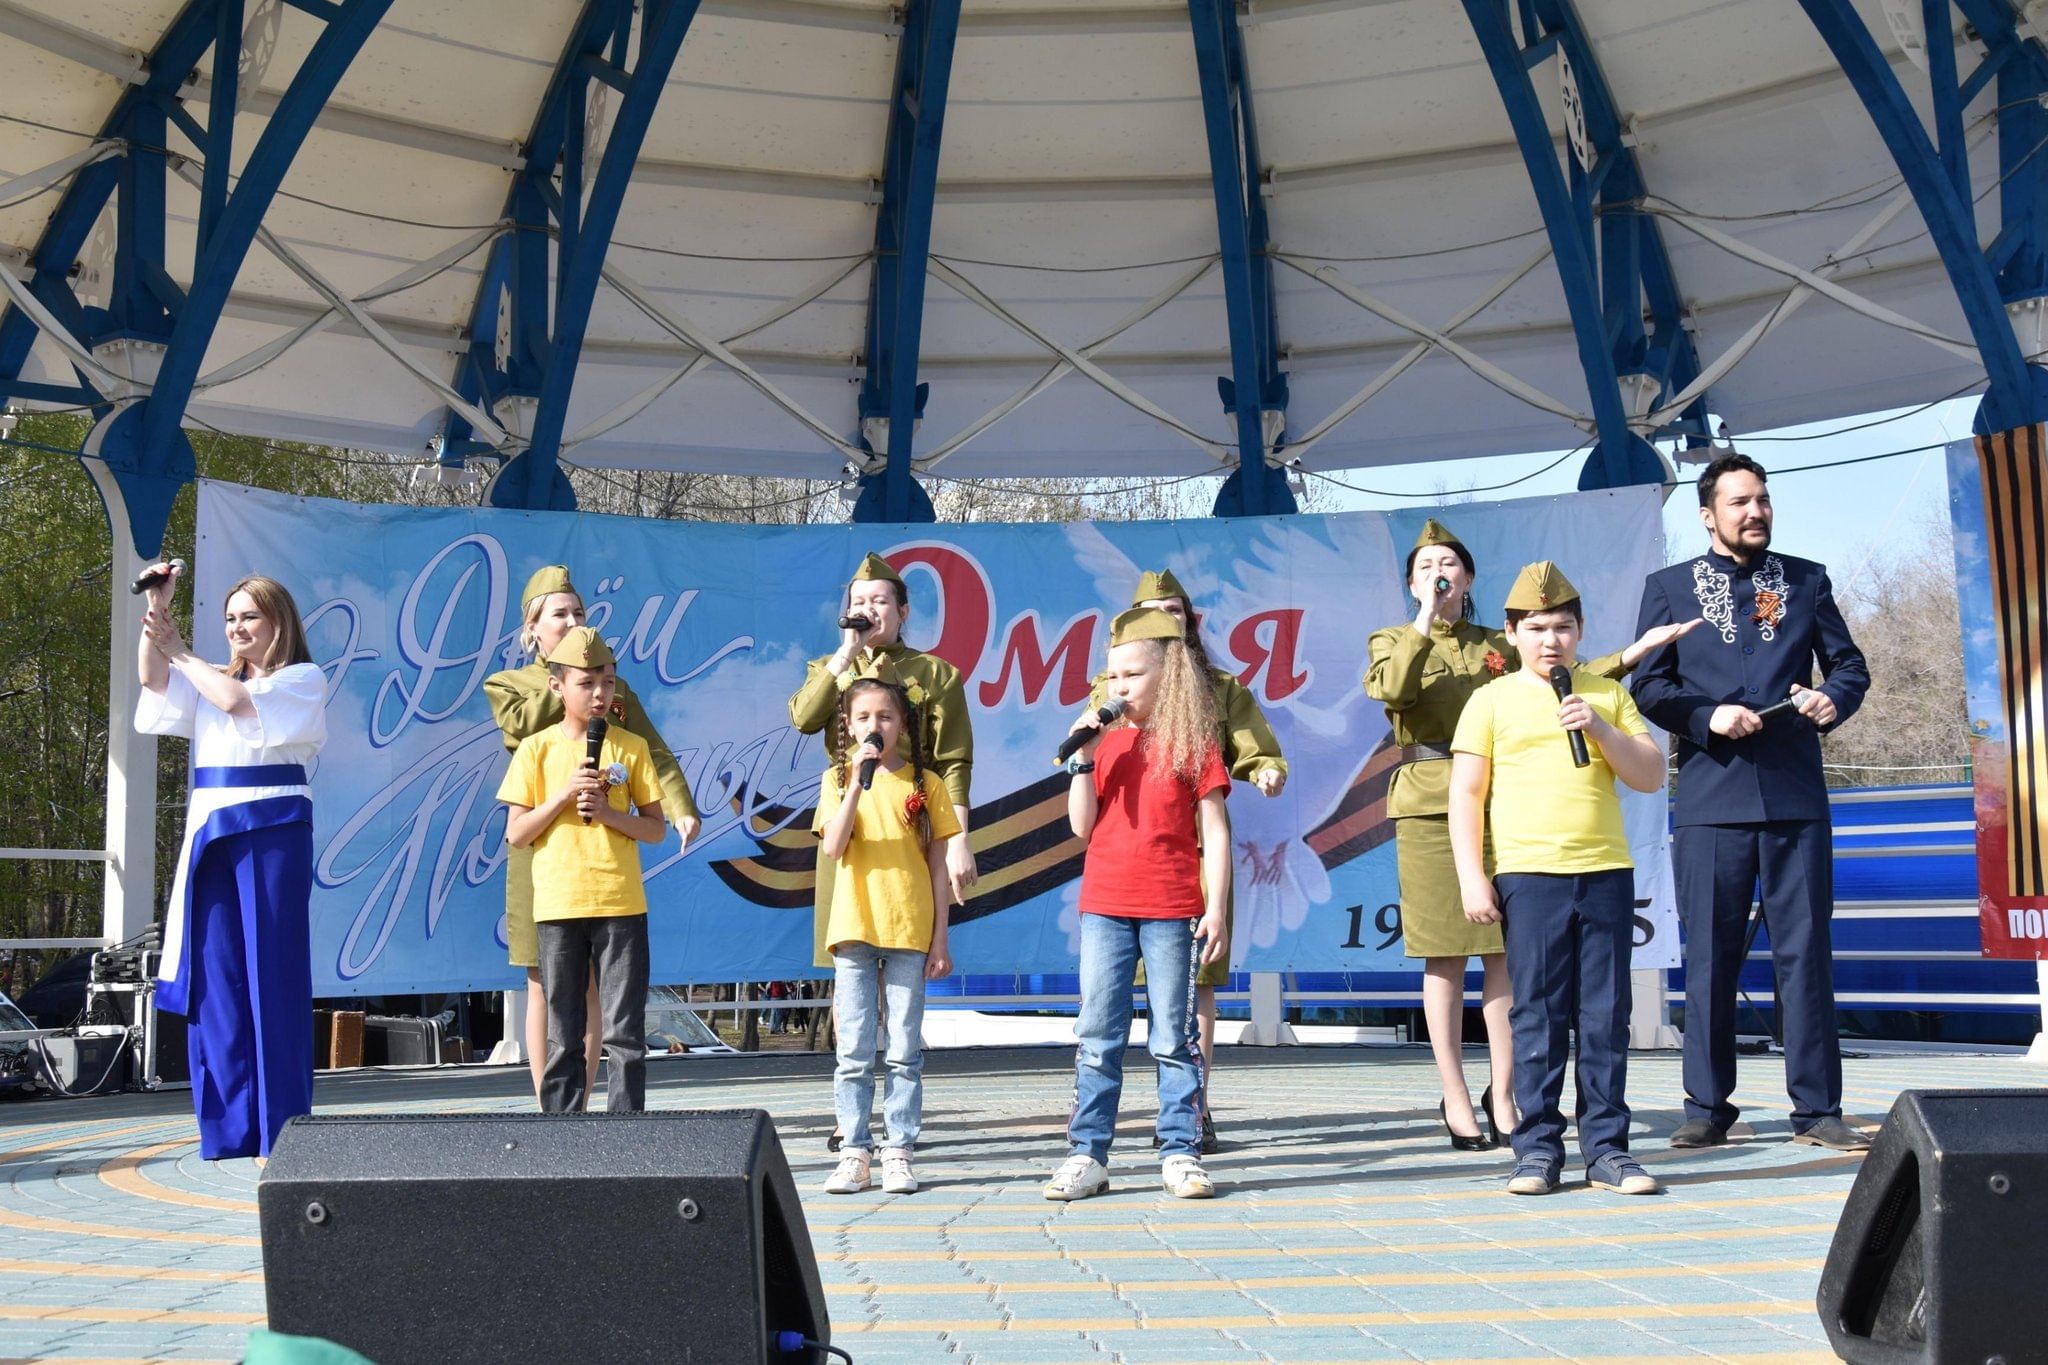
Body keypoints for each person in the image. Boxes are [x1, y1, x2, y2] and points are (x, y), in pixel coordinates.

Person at [1365, 520, 1692, 1150]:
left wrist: (1630, 653)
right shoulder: (1393, 639)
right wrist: (1424, 619)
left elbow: (1555, 675)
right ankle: (1455, 1095)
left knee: (1506, 954)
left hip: (1504, 801)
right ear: (1412, 581)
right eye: (1427, 566)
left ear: (1470, 577)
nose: (1440, 572)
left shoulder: (1500, 640)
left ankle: (1506, 1091)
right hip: (1434, 799)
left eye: (1451, 564)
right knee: (1444, 950)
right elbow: (1393, 689)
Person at [1631, 453, 1871, 1152]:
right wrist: (1708, 717)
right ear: (1708, 515)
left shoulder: (1806, 579)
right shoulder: (1669, 589)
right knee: (1711, 955)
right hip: (1712, 796)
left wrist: (1833, 697)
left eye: (1762, 499)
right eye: (1739, 502)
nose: (1755, 511)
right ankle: (1706, 1105)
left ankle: (1818, 1109)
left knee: (1806, 953)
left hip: (1795, 792)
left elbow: (1849, 664)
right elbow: (1651, 685)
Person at [1449, 562, 1669, 1196]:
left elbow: (1650, 774)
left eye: (1564, 628)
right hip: (1529, 874)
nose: (1552, 641)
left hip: (1604, 871)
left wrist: (1596, 727)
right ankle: (1537, 1148)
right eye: (1537, 628)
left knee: (1605, 1013)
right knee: (1538, 1014)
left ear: (1580, 633)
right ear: (1512, 634)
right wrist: (1472, 875)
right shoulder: (1489, 701)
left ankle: (1607, 1149)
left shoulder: (1604, 694)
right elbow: (1466, 794)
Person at [485, 565, 700, 1106]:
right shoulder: (510, 684)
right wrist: (568, 681)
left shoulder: (614, 687)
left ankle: (595, 1106)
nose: (572, 621)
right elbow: (521, 728)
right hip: (544, 851)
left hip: (607, 857)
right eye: (558, 614)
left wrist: (681, 808)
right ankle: (552, 1105)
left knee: (599, 988)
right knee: (544, 980)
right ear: (531, 628)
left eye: (579, 613)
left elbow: (654, 750)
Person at [1086, 569, 1284, 1155]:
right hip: (1129, 860)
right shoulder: (1110, 692)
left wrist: (1264, 768)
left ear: (1190, 620)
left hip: (1197, 851)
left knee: (1193, 987)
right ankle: (1093, 1133)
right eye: (1153, 611)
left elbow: (1251, 742)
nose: (1166, 619)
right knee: (1107, 1005)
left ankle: (1193, 1110)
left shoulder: (1218, 686)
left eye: (1175, 610)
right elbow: (1091, 775)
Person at [136, 566, 327, 1160]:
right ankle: (230, 1128)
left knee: (273, 975)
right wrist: (157, 613)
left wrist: (181, 649)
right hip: (212, 831)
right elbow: (154, 679)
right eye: (230, 618)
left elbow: (237, 702)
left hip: (272, 825)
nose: (238, 627)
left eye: (249, 616)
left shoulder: (301, 678)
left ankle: (283, 1129)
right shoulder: (208, 674)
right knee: (215, 978)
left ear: (278, 622)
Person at [789, 551, 974, 1150]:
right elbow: (802, 718)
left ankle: (897, 1130)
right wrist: (845, 655)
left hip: (911, 827)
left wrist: (959, 841)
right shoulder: (831, 665)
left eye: (879, 602)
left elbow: (954, 762)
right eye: (858, 602)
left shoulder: (934, 673)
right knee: (850, 981)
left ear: (902, 610)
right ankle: (853, 1124)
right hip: (847, 830)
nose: (867, 611)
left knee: (901, 987)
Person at [1046, 607, 1229, 1202]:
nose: (1119, 687)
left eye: (1132, 675)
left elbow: (1217, 830)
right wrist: (1082, 757)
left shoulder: (1193, 740)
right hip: (1105, 903)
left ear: (1167, 675)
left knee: (1172, 1035)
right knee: (1098, 1030)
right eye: (1112, 676)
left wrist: (1218, 906)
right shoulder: (1105, 744)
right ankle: (1088, 1154)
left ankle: (1180, 1150)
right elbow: (1081, 826)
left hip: (1173, 904)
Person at [497, 627, 667, 1114]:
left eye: (609, 683)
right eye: (587, 683)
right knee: (563, 1030)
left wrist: (611, 813)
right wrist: (562, 796)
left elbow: (655, 829)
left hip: (621, 903)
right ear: (557, 687)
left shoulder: (630, 747)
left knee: (625, 1032)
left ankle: (625, 1133)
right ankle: (562, 1134)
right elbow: (517, 832)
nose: (600, 694)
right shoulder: (536, 749)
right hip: (558, 905)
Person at [814, 658, 960, 1196]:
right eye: (863, 717)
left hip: (909, 926)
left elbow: (939, 865)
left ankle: (899, 1148)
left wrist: (940, 937)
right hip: (853, 925)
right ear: (848, 726)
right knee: (853, 1049)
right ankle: (854, 1150)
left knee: (903, 1048)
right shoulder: (836, 779)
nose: (875, 726)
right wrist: (856, 783)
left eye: (886, 717)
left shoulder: (928, 784)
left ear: (903, 724)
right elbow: (833, 846)